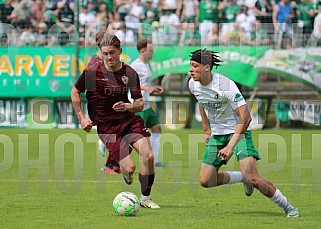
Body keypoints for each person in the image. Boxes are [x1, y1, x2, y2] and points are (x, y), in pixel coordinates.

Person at [188, 48, 299, 218]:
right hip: (217, 135)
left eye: (195, 66)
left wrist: (231, 146)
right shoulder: (192, 84)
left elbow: (246, 118)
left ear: (207, 67)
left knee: (254, 179)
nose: (191, 70)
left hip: (238, 132)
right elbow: (201, 101)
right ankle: (241, 177)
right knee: (205, 180)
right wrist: (205, 128)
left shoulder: (225, 85)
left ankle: (289, 207)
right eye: (191, 66)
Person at [71, 33, 159, 208]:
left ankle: (145, 198)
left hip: (128, 120)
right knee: (130, 168)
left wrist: (126, 107)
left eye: (112, 52)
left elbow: (139, 104)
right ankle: (126, 173)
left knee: (148, 156)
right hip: (107, 127)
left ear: (120, 51)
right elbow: (75, 92)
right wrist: (81, 117)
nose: (109, 57)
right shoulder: (92, 73)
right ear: (100, 53)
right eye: (105, 53)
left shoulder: (129, 73)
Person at [130, 39, 165, 167]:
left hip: (146, 103)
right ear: (143, 51)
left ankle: (155, 161)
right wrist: (147, 88)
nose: (153, 53)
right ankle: (110, 149)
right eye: (150, 50)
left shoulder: (145, 65)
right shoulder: (135, 65)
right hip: (138, 104)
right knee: (137, 136)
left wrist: (153, 88)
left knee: (156, 128)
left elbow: (144, 84)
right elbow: (131, 84)